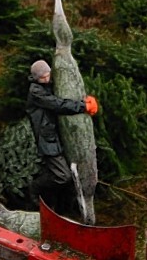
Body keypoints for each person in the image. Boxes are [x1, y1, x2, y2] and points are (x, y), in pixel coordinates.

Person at [24, 59, 98, 215]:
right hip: (47, 139)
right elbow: (57, 104)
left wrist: (81, 101)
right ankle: (34, 187)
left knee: (65, 178)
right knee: (62, 176)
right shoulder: (36, 92)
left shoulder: (48, 85)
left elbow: (62, 99)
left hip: (55, 136)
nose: (47, 78)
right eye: (43, 77)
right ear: (36, 78)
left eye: (48, 75)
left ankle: (59, 207)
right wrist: (83, 106)